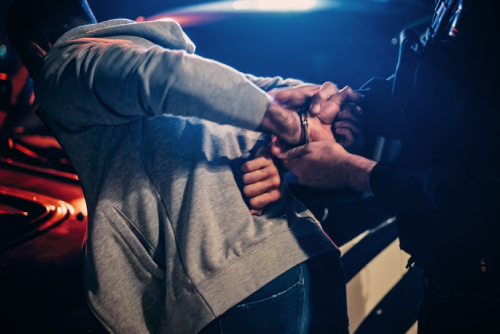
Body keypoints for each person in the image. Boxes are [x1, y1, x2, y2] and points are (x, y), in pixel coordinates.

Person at [7, 0, 363, 333]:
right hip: (304, 258)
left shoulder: (63, 64)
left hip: (236, 290)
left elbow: (169, 75)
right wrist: (327, 104)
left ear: (36, 51)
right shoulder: (149, 57)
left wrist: (287, 126)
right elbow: (260, 90)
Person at [272, 1, 500, 333]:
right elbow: (439, 93)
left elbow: (484, 196)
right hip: (447, 283)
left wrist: (351, 170)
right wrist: (358, 104)